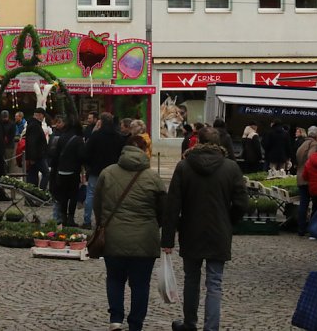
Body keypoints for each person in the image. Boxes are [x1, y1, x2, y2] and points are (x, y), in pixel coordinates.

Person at [162, 126, 247, 331]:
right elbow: (242, 203)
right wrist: (229, 220)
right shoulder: (231, 168)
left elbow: (172, 205)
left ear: (197, 141)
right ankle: (211, 327)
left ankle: (190, 323)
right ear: (219, 144)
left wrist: (167, 239)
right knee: (214, 283)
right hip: (219, 230)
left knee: (191, 279)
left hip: (191, 230)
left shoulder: (184, 166)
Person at [94, 135, 166, 331]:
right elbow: (163, 210)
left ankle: (116, 319)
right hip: (145, 239)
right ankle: (136, 324)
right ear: (145, 152)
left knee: (115, 279)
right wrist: (154, 226)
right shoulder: (153, 177)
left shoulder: (107, 173)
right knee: (141, 285)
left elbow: (97, 204)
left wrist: (102, 224)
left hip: (113, 237)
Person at [83, 112, 124, 229]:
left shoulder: (96, 136)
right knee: (110, 196)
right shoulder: (118, 137)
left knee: (91, 195)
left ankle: (87, 221)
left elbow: (86, 152)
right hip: (113, 171)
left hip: (96, 170)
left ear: (101, 121)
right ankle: (107, 221)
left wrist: (89, 164)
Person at [49, 114, 86, 227]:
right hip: (73, 171)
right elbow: (81, 156)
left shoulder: (62, 137)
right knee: (73, 196)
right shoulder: (79, 139)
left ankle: (63, 217)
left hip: (61, 170)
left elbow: (56, 155)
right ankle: (71, 218)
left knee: (63, 195)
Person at [295, 125, 317, 236]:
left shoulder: (303, 143)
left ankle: (301, 228)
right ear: (316, 136)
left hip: (300, 176)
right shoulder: (314, 144)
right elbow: (312, 159)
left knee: (303, 203)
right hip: (309, 178)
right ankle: (313, 228)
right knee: (315, 203)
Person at [24, 107, 50, 189]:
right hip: (37, 156)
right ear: (40, 115)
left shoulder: (32, 124)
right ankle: (41, 192)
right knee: (46, 173)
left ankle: (32, 194)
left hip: (35, 156)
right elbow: (32, 142)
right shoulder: (35, 126)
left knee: (32, 176)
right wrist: (32, 157)